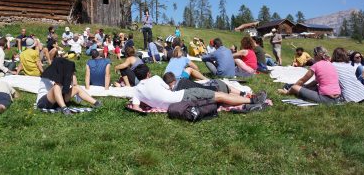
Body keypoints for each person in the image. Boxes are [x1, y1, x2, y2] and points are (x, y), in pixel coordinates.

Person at [131, 64, 267, 111]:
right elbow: (167, 90)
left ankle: (249, 99)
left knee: (217, 95)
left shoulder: (136, 90)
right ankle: (253, 100)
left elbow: (136, 107)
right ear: (148, 73)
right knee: (218, 95)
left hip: (176, 105)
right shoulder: (155, 79)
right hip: (183, 96)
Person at [36, 56, 101, 115]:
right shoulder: (49, 75)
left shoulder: (60, 75)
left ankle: (97, 103)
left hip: (57, 101)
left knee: (77, 88)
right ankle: (64, 109)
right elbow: (56, 88)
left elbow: (75, 84)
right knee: (57, 86)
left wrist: (72, 72)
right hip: (44, 102)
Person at [163, 72, 249, 98]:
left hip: (215, 91)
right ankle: (242, 94)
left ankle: (242, 95)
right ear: (174, 78)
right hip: (217, 88)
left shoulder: (175, 93)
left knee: (227, 91)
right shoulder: (184, 80)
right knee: (226, 88)